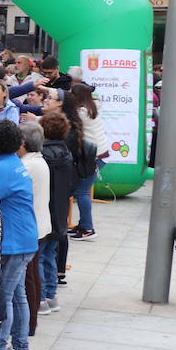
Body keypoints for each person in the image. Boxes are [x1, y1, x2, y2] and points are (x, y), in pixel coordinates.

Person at [0, 120, 37, 350]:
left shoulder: (0, 170)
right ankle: (20, 346)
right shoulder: (13, 164)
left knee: (3, 297)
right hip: (24, 239)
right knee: (18, 295)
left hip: (13, 243)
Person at [39, 113, 76, 314]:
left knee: (40, 256)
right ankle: (51, 295)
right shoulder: (66, 154)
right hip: (60, 211)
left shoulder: (43, 156)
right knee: (50, 255)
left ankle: (42, 297)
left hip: (46, 210)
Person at [19, 121, 51, 334]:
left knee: (29, 278)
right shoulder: (37, 162)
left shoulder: (28, 165)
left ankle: (29, 323)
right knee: (33, 276)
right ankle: (31, 320)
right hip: (39, 225)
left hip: (32, 227)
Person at [67, 83, 106, 240]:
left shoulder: (81, 113)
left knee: (82, 192)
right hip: (98, 154)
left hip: (93, 156)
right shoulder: (93, 106)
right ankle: (83, 224)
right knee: (81, 191)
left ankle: (88, 229)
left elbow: (65, 120)